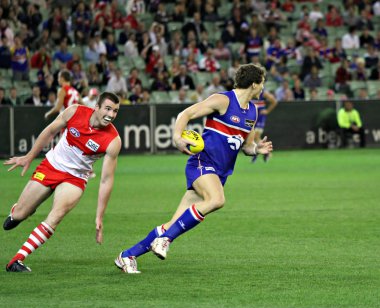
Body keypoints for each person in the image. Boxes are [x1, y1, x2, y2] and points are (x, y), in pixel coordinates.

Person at [115, 63, 273, 273]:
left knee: (173, 222)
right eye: (262, 82)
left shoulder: (252, 111)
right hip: (202, 163)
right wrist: (177, 137)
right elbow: (185, 114)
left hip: (219, 173)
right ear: (254, 84)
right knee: (217, 200)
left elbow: (246, 147)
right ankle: (165, 241)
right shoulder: (223, 100)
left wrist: (257, 149)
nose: (263, 87)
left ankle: (127, 256)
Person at [3, 91, 121, 272]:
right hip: (51, 166)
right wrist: (29, 157)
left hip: (75, 178)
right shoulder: (74, 111)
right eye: (107, 109)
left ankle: (17, 259)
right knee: (20, 214)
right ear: (96, 107)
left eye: (115, 111)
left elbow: (106, 180)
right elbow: (50, 131)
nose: (111, 115)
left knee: (55, 216)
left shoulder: (113, 140)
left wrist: (99, 216)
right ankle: (18, 211)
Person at [251, 89, 278, 163]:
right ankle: (259, 152)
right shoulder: (249, 92)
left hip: (260, 117)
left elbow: (274, 101)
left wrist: (267, 111)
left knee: (256, 136)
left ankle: (263, 152)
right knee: (252, 137)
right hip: (251, 117)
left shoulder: (262, 92)